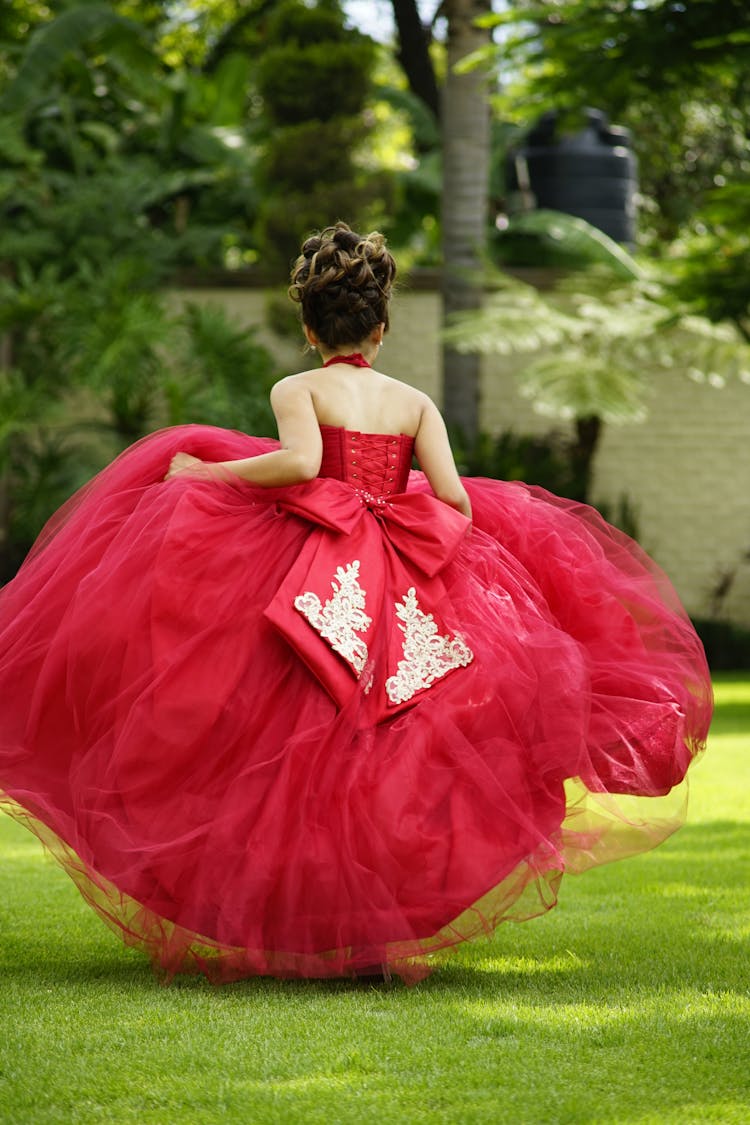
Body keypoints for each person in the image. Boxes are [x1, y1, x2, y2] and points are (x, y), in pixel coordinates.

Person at [0, 222, 712, 984]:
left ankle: (292, 921)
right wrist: (393, 513)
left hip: (313, 567)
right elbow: (456, 504)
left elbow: (304, 461)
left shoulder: (297, 387)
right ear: (382, 326)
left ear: (310, 328)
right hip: (399, 568)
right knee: (394, 736)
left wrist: (203, 477)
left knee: (279, 733)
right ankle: (372, 928)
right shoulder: (413, 403)